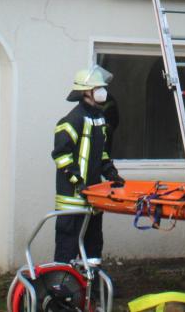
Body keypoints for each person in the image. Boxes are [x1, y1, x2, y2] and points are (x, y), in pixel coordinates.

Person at [52, 65, 125, 265]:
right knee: (68, 247)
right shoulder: (72, 120)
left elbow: (100, 152)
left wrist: (111, 173)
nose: (103, 92)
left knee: (93, 246)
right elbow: (61, 155)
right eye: (98, 88)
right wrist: (77, 181)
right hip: (73, 199)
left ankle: (91, 288)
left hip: (93, 197)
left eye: (103, 87)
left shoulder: (99, 118)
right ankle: (63, 289)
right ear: (86, 92)